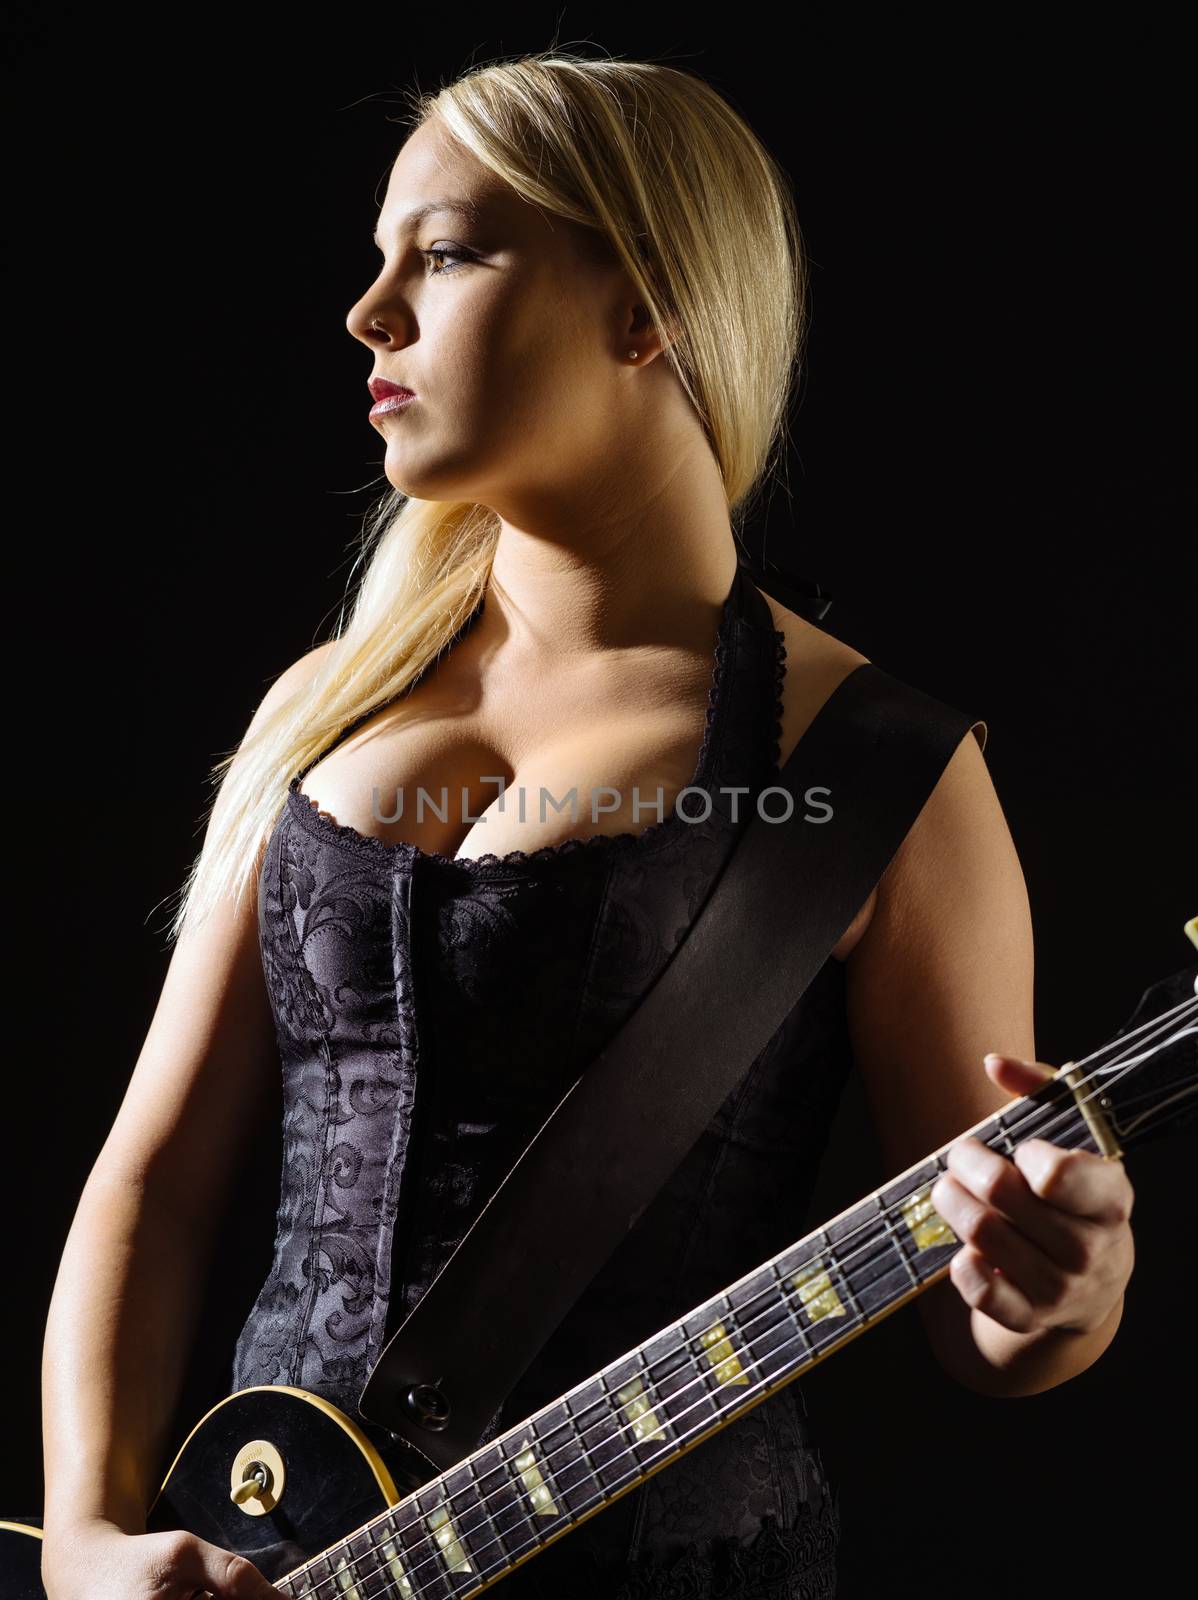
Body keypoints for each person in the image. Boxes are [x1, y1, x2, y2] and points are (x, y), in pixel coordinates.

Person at [37, 51, 1135, 1600]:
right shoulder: (326, 708)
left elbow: (981, 1291)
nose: (369, 313)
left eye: (444, 252)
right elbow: (151, 1180)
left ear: (647, 307)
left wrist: (1056, 1299)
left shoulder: (878, 766)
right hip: (268, 1561)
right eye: (374, 260)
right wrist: (86, 1537)